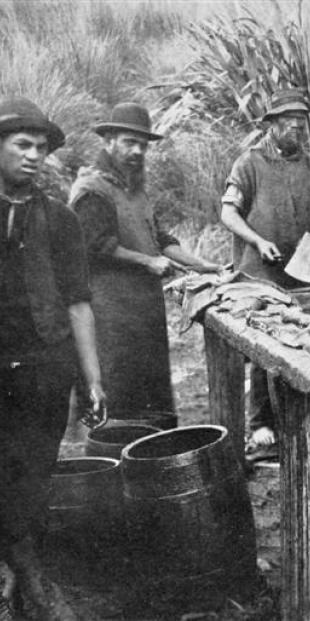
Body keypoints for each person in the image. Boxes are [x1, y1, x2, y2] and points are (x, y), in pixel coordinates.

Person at [0, 97, 106, 620]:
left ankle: (30, 580)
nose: (33, 156)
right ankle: (23, 577)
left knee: (36, 473)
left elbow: (79, 303)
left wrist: (93, 378)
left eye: (41, 148)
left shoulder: (60, 220)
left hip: (45, 368)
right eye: (21, 145)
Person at [220, 88, 310, 454]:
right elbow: (228, 213)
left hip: (302, 268)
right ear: (273, 126)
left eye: (302, 127)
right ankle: (260, 424)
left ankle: (296, 419)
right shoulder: (249, 163)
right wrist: (259, 241)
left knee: (303, 340)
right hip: (260, 272)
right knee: (265, 346)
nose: (298, 132)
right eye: (291, 126)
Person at [69, 103, 219, 422]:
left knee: (151, 390)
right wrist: (148, 263)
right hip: (110, 313)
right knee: (118, 390)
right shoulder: (92, 189)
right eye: (129, 142)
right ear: (108, 140)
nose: (137, 151)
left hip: (144, 312)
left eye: (143, 145)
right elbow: (96, 246)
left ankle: (152, 456)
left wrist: (203, 266)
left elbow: (161, 238)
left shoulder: (135, 188)